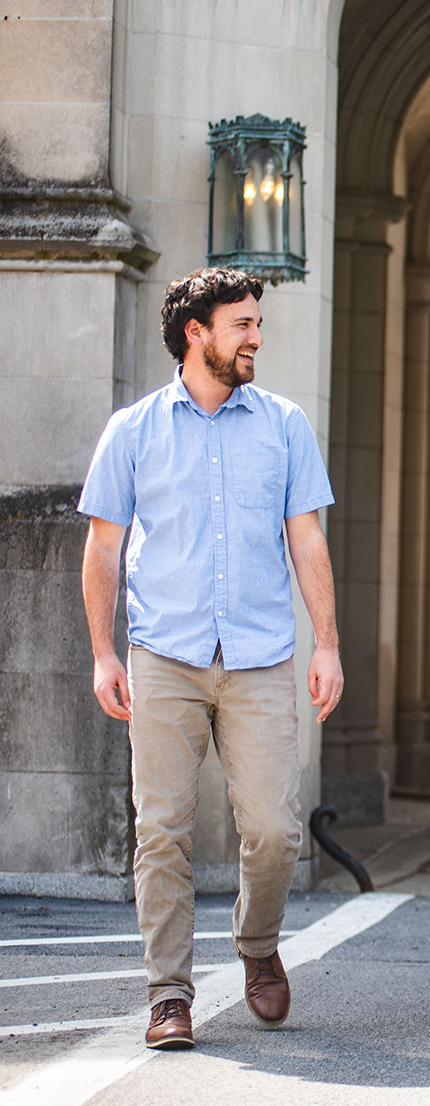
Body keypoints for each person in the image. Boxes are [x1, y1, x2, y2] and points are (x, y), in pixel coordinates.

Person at [79, 267, 342, 1050]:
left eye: (257, 323)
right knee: (160, 828)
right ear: (197, 332)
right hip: (164, 651)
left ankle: (257, 944)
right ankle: (169, 993)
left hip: (260, 654)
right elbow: (102, 547)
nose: (257, 336)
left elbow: (307, 535)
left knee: (273, 831)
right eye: (243, 324)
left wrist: (326, 641)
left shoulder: (285, 423)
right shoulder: (133, 430)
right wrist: (102, 652)